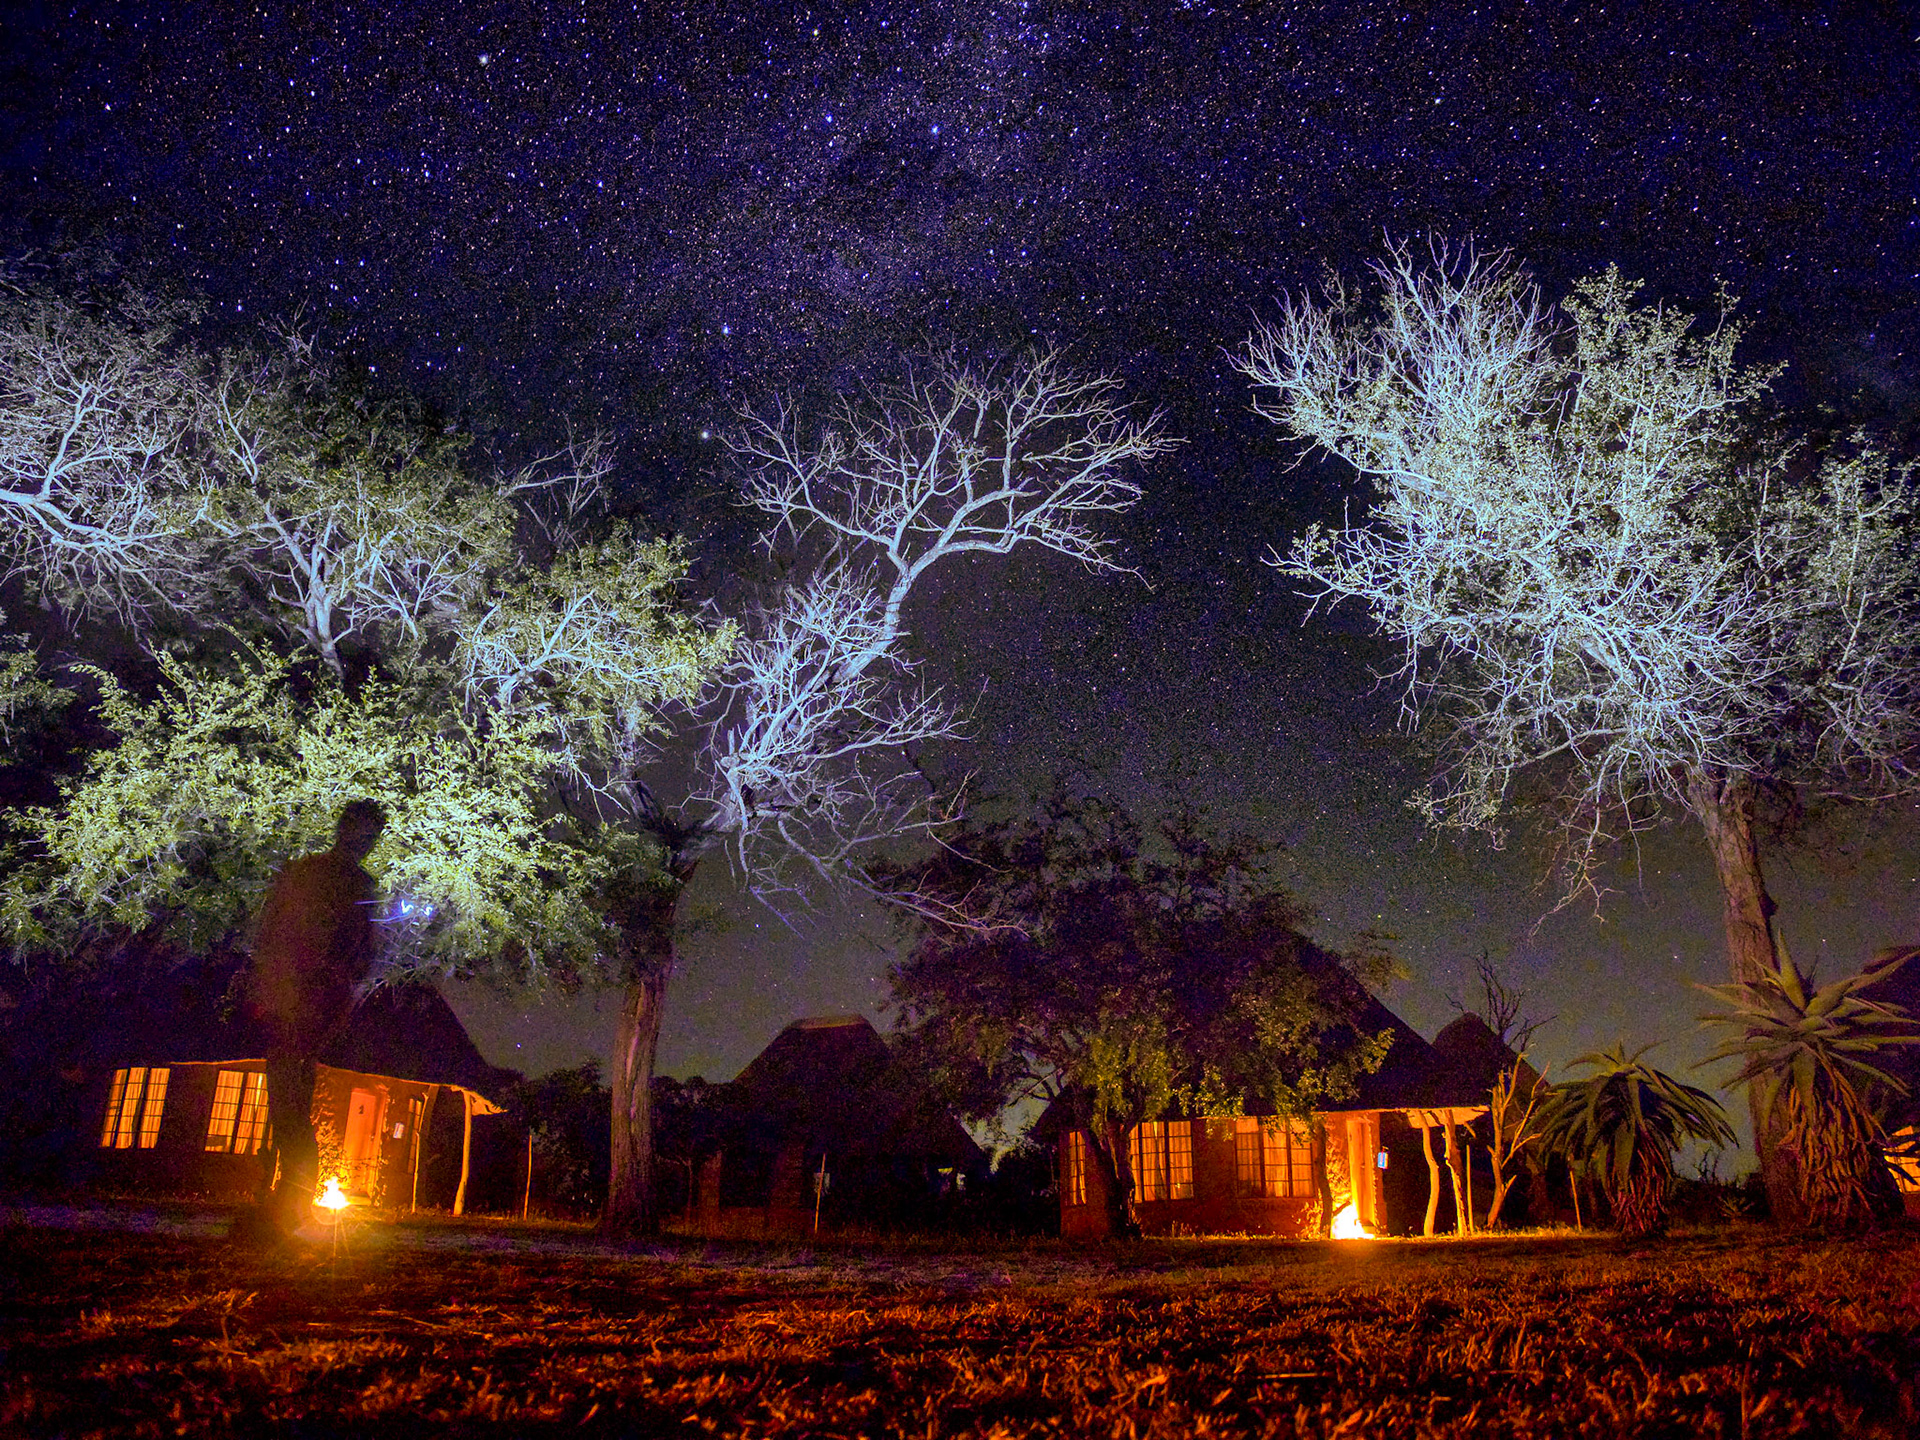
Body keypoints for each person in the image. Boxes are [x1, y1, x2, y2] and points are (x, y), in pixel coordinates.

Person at [238, 799, 387, 1242]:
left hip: (307, 999)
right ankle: (288, 1202)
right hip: (301, 997)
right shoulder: (327, 878)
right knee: (289, 1099)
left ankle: (289, 1203)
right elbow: (279, 933)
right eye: (363, 834)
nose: (364, 843)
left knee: (289, 1099)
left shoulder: (331, 879)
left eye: (370, 836)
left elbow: (354, 951)